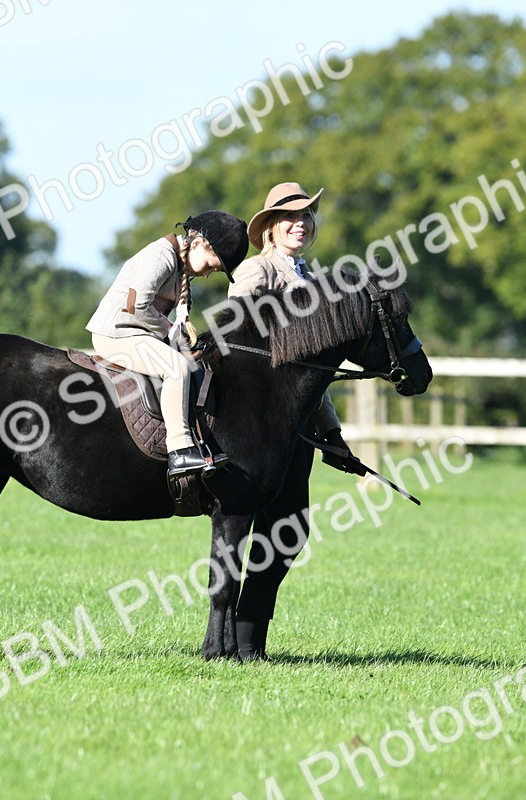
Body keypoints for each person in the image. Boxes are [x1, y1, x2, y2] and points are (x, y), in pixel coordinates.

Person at [228, 181, 359, 660]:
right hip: (256, 428)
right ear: (269, 228)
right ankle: (242, 643)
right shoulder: (254, 271)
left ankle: (251, 639)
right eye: (290, 217)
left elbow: (313, 375)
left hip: (297, 430)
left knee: (289, 532)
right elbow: (238, 334)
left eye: (307, 215)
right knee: (254, 531)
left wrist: (332, 435)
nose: (300, 223)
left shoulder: (311, 275)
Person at [87, 210, 250, 477]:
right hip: (115, 333)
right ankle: (180, 451)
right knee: (176, 368)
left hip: (136, 334)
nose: (209, 274)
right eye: (211, 265)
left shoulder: (180, 266)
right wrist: (170, 331)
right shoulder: (161, 256)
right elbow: (136, 305)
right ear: (197, 244)